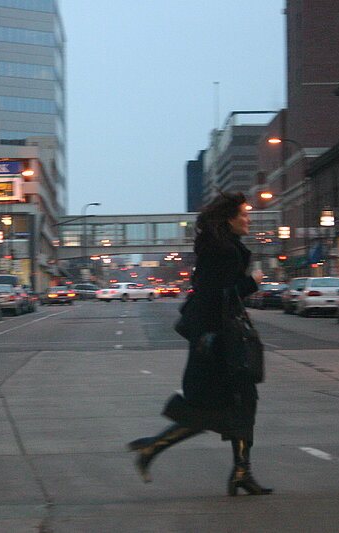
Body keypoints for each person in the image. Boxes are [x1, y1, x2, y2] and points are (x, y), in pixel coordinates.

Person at [127, 191, 272, 496]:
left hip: (216, 338)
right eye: (243, 215)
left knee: (236, 405)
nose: (248, 220)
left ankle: (241, 472)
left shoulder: (225, 248)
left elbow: (213, 295)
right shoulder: (223, 252)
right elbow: (216, 295)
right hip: (218, 341)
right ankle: (155, 449)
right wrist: (252, 281)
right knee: (214, 408)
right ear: (228, 220)